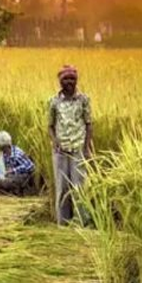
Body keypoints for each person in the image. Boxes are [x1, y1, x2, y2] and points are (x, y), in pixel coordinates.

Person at [48, 65, 93, 225]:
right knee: (62, 187)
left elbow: (89, 124)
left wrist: (87, 148)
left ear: (76, 80)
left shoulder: (83, 100)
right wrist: (55, 142)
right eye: (65, 79)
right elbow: (50, 125)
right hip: (60, 151)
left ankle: (82, 222)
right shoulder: (54, 101)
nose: (69, 82)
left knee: (79, 186)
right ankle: (63, 223)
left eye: (72, 78)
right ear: (60, 81)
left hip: (78, 149)